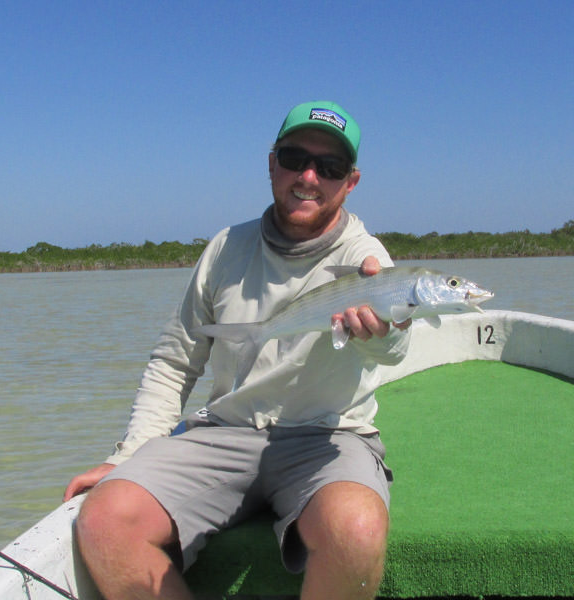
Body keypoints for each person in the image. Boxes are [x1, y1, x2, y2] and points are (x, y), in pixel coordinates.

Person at [64, 101, 412, 600]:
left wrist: (383, 332)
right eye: (295, 158)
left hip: (326, 437)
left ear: (350, 182)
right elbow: (176, 359)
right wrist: (129, 453)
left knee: (356, 529)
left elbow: (397, 346)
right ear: (272, 163)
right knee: (103, 520)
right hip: (224, 434)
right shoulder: (226, 248)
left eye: (329, 167)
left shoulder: (366, 259)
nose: (309, 177)